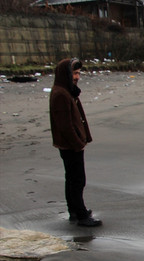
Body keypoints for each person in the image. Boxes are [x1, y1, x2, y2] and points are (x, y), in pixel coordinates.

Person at [49, 58, 102, 227]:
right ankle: (80, 214)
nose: (77, 77)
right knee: (77, 180)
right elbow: (65, 125)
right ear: (65, 74)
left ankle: (74, 210)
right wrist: (78, 143)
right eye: (74, 73)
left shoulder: (65, 91)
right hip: (70, 145)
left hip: (70, 144)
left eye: (78, 73)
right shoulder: (61, 94)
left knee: (72, 178)